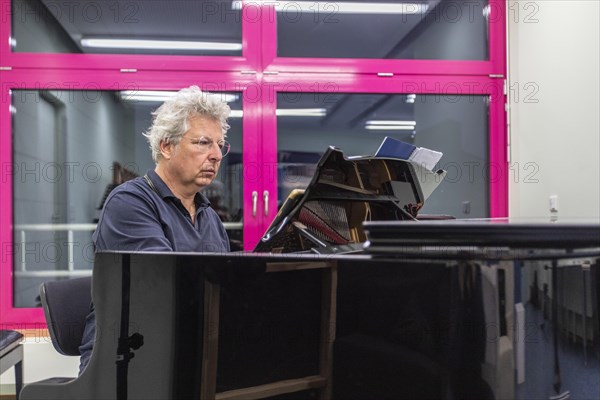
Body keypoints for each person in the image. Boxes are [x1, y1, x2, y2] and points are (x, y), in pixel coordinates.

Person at [78, 85, 232, 373]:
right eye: (202, 143)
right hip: (125, 360)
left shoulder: (208, 215)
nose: (215, 155)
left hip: (186, 351)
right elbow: (163, 291)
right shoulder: (129, 203)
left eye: (219, 144)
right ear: (166, 146)